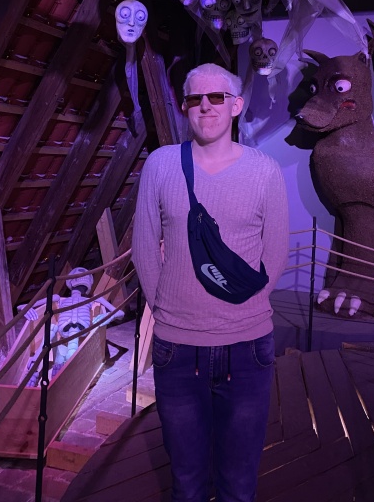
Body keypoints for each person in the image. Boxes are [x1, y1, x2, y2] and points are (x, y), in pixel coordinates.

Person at [132, 62, 289, 502]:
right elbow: (144, 247)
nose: (205, 106)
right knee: (187, 481)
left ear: (235, 105)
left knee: (238, 482)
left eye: (216, 97)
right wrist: (167, 312)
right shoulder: (161, 165)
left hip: (248, 349)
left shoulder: (265, 170)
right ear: (185, 107)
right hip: (178, 349)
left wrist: (242, 309)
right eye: (194, 99)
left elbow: (275, 252)